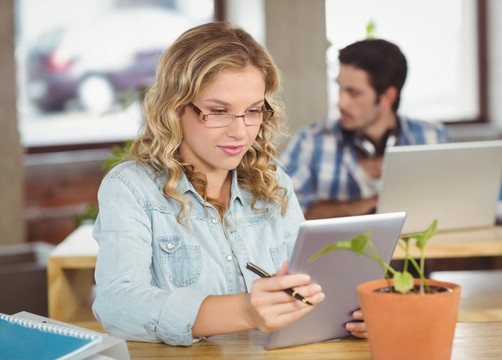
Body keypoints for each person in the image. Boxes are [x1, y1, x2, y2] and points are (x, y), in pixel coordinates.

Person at [92, 22, 367, 347]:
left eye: (253, 111)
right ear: (174, 109)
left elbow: (307, 284)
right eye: (219, 112)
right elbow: (117, 304)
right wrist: (246, 311)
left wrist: (348, 312)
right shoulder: (130, 188)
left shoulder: (274, 181)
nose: (240, 132)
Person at [280, 39, 450, 220]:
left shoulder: (432, 139)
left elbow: (450, 206)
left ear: (387, 97)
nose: (341, 103)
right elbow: (281, 211)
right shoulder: (311, 141)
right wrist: (355, 208)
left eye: (354, 93)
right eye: (340, 88)